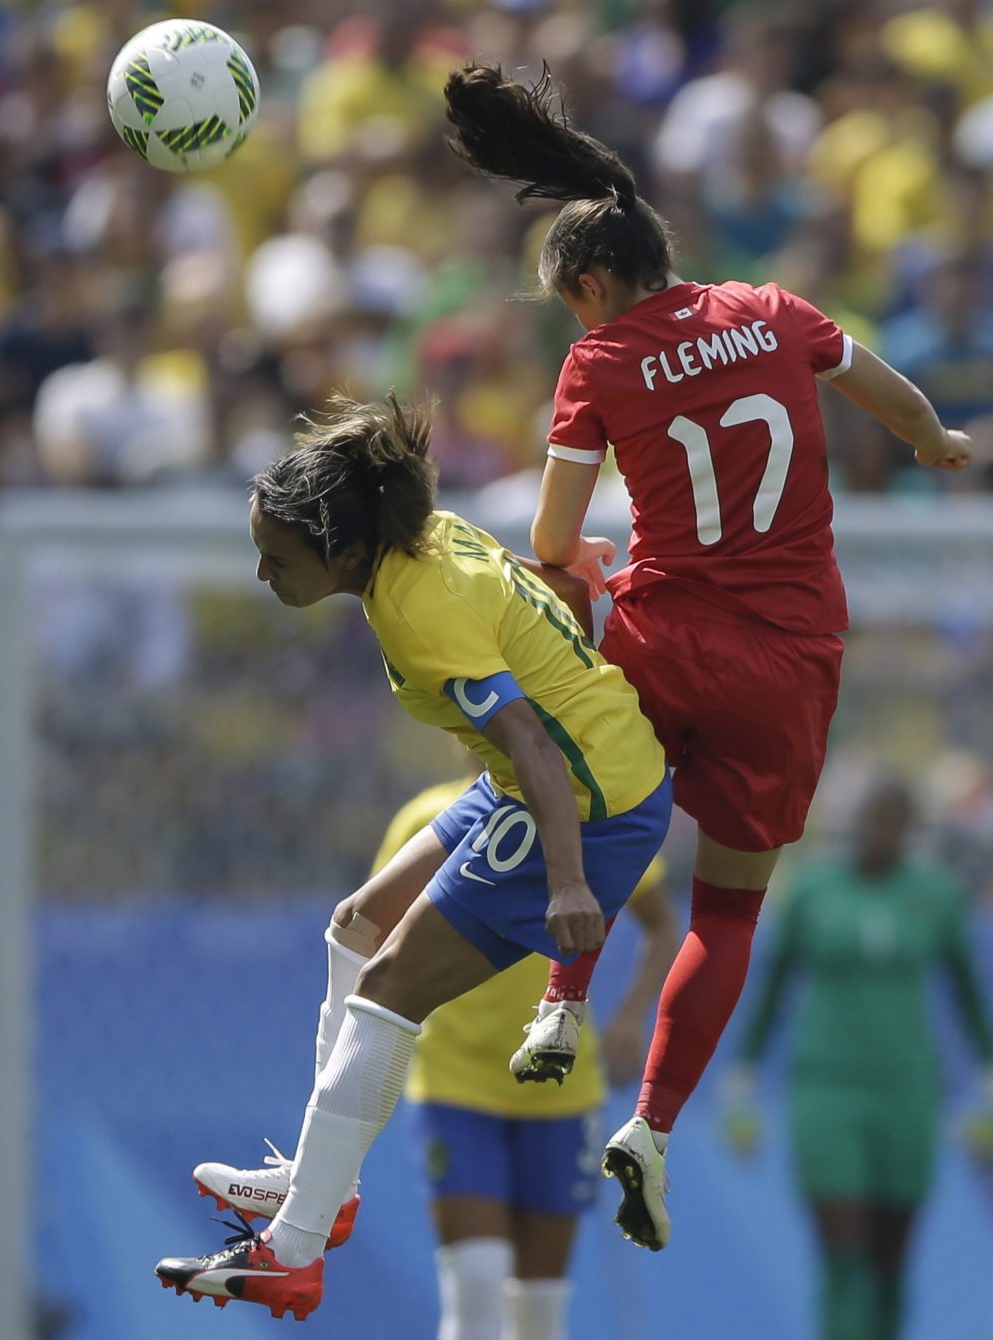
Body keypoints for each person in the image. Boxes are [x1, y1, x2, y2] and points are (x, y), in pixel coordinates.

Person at [440, 62, 974, 1253]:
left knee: (598, 807)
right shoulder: (775, 311)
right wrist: (938, 440)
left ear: (589, 282)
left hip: (662, 637)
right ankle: (651, 1127)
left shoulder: (600, 361)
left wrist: (581, 565)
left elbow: (546, 534)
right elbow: (885, 395)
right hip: (788, 660)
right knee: (726, 912)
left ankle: (560, 1003)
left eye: (570, 304)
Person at [154, 391, 672, 1322]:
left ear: (345, 553)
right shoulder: (433, 536)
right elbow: (529, 593)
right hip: (552, 771)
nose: (261, 573)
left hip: (584, 796)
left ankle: (294, 1249)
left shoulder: (411, 611)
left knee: (385, 991)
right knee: (356, 923)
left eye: (278, 558)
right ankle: (322, 1187)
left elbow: (533, 745)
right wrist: (583, 585)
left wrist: (565, 880)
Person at [377, 771, 677, 1340]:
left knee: (540, 1311)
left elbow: (663, 926)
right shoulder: (429, 818)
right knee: (477, 1285)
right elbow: (377, 934)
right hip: (455, 1081)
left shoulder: (598, 817)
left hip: (559, 1090)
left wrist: (631, 1018)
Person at [722, 776, 993, 1340]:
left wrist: (987, 1086)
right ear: (856, 825)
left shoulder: (935, 895)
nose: (881, 833)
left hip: (908, 1091)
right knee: (843, 1252)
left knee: (890, 1262)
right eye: (873, 819)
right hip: (825, 1089)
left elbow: (968, 996)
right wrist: (742, 1080)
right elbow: (773, 987)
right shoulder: (816, 892)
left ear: (910, 831)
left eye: (894, 822)